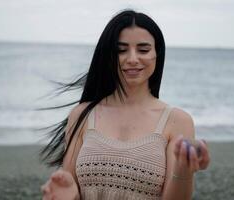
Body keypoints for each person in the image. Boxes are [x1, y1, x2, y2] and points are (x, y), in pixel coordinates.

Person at [40, 9, 210, 200]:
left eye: (143, 50)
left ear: (157, 54)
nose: (132, 59)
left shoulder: (177, 120)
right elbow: (69, 189)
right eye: (121, 50)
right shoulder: (82, 115)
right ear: (108, 56)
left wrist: (184, 170)